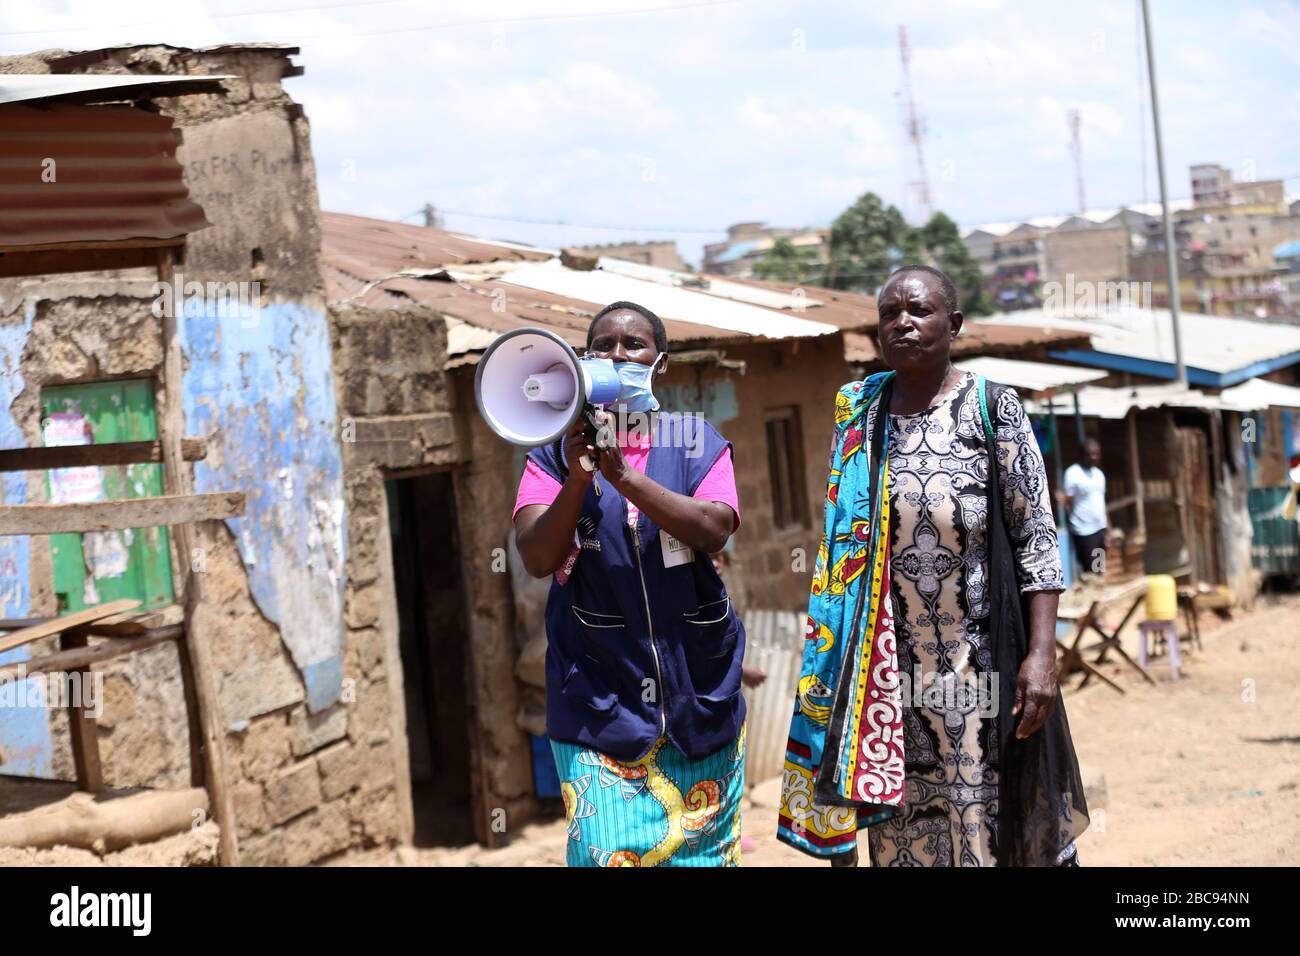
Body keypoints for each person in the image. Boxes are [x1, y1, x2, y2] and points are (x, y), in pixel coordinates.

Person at [776, 265, 1089, 867]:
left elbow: (1036, 538)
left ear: (955, 324)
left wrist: (1042, 654)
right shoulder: (858, 412)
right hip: (888, 678)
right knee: (907, 829)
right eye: (889, 313)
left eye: (917, 310)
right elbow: (843, 548)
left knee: (998, 819)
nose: (902, 323)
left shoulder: (992, 409)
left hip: (983, 661)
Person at [512, 300, 746, 867]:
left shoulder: (694, 439)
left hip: (697, 695)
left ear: (659, 363)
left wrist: (623, 476)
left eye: (634, 345)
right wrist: (579, 478)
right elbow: (537, 554)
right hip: (600, 702)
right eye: (602, 346)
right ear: (582, 361)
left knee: (704, 858)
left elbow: (714, 529)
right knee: (607, 853)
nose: (618, 355)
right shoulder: (550, 451)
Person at [1062, 439, 1109, 580]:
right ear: (1083, 454)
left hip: (1100, 528)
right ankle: (1092, 599)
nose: (1094, 457)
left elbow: (1102, 503)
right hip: (1084, 530)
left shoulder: (1099, 474)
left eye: (1096, 454)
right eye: (1090, 454)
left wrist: (1108, 529)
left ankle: (1099, 598)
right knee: (1090, 572)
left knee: (1099, 569)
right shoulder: (1073, 473)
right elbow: (1067, 501)